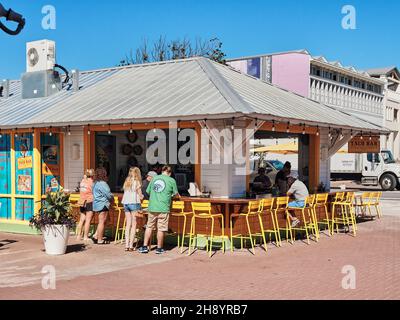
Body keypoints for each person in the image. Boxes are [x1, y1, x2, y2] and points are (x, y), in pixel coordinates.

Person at [138, 165, 180, 254]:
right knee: (161, 228)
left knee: (149, 226)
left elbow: (148, 191)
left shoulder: (154, 179)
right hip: (163, 208)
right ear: (169, 173)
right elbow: (176, 194)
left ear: (162, 171)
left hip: (152, 206)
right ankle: (159, 248)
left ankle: (145, 247)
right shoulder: (171, 180)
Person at [121, 167, 144, 251]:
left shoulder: (127, 181)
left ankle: (126, 245)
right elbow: (140, 195)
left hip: (126, 203)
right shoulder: (137, 182)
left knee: (128, 225)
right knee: (134, 225)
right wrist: (142, 196)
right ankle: (131, 245)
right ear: (138, 173)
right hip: (134, 203)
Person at [91, 168, 113, 244]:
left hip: (96, 203)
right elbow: (108, 195)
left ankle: (96, 235)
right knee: (102, 222)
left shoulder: (95, 183)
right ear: (103, 174)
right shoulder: (103, 183)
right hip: (103, 203)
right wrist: (112, 198)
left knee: (104, 221)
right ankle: (100, 239)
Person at [76, 169, 95, 241]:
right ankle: (85, 237)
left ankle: (78, 236)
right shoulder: (92, 182)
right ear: (93, 175)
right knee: (88, 220)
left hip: (82, 201)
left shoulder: (82, 181)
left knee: (81, 220)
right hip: (89, 201)